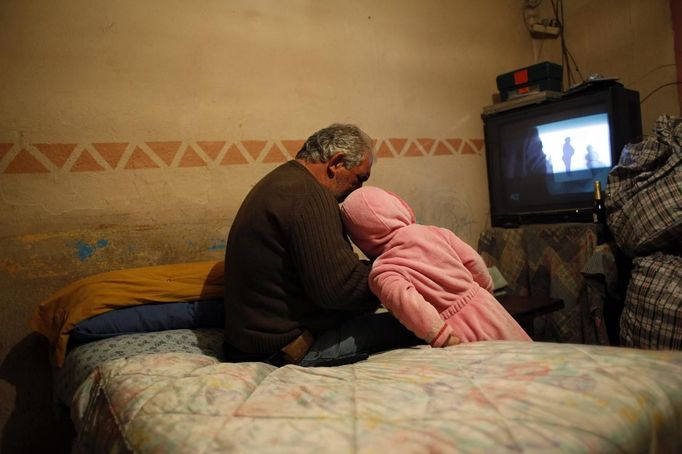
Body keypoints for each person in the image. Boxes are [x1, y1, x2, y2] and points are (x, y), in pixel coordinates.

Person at [223, 123, 422, 367]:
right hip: (283, 348)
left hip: (246, 344)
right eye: (359, 179)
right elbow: (339, 290)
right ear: (336, 163)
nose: (357, 190)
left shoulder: (281, 180)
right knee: (420, 319)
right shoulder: (310, 196)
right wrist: (400, 275)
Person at [340, 186, 531, 347]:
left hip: (455, 325)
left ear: (360, 238)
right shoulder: (434, 232)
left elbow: (409, 305)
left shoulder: (383, 270)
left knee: (493, 376)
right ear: (398, 206)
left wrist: (440, 335)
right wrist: (484, 290)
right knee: (522, 354)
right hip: (484, 305)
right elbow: (473, 261)